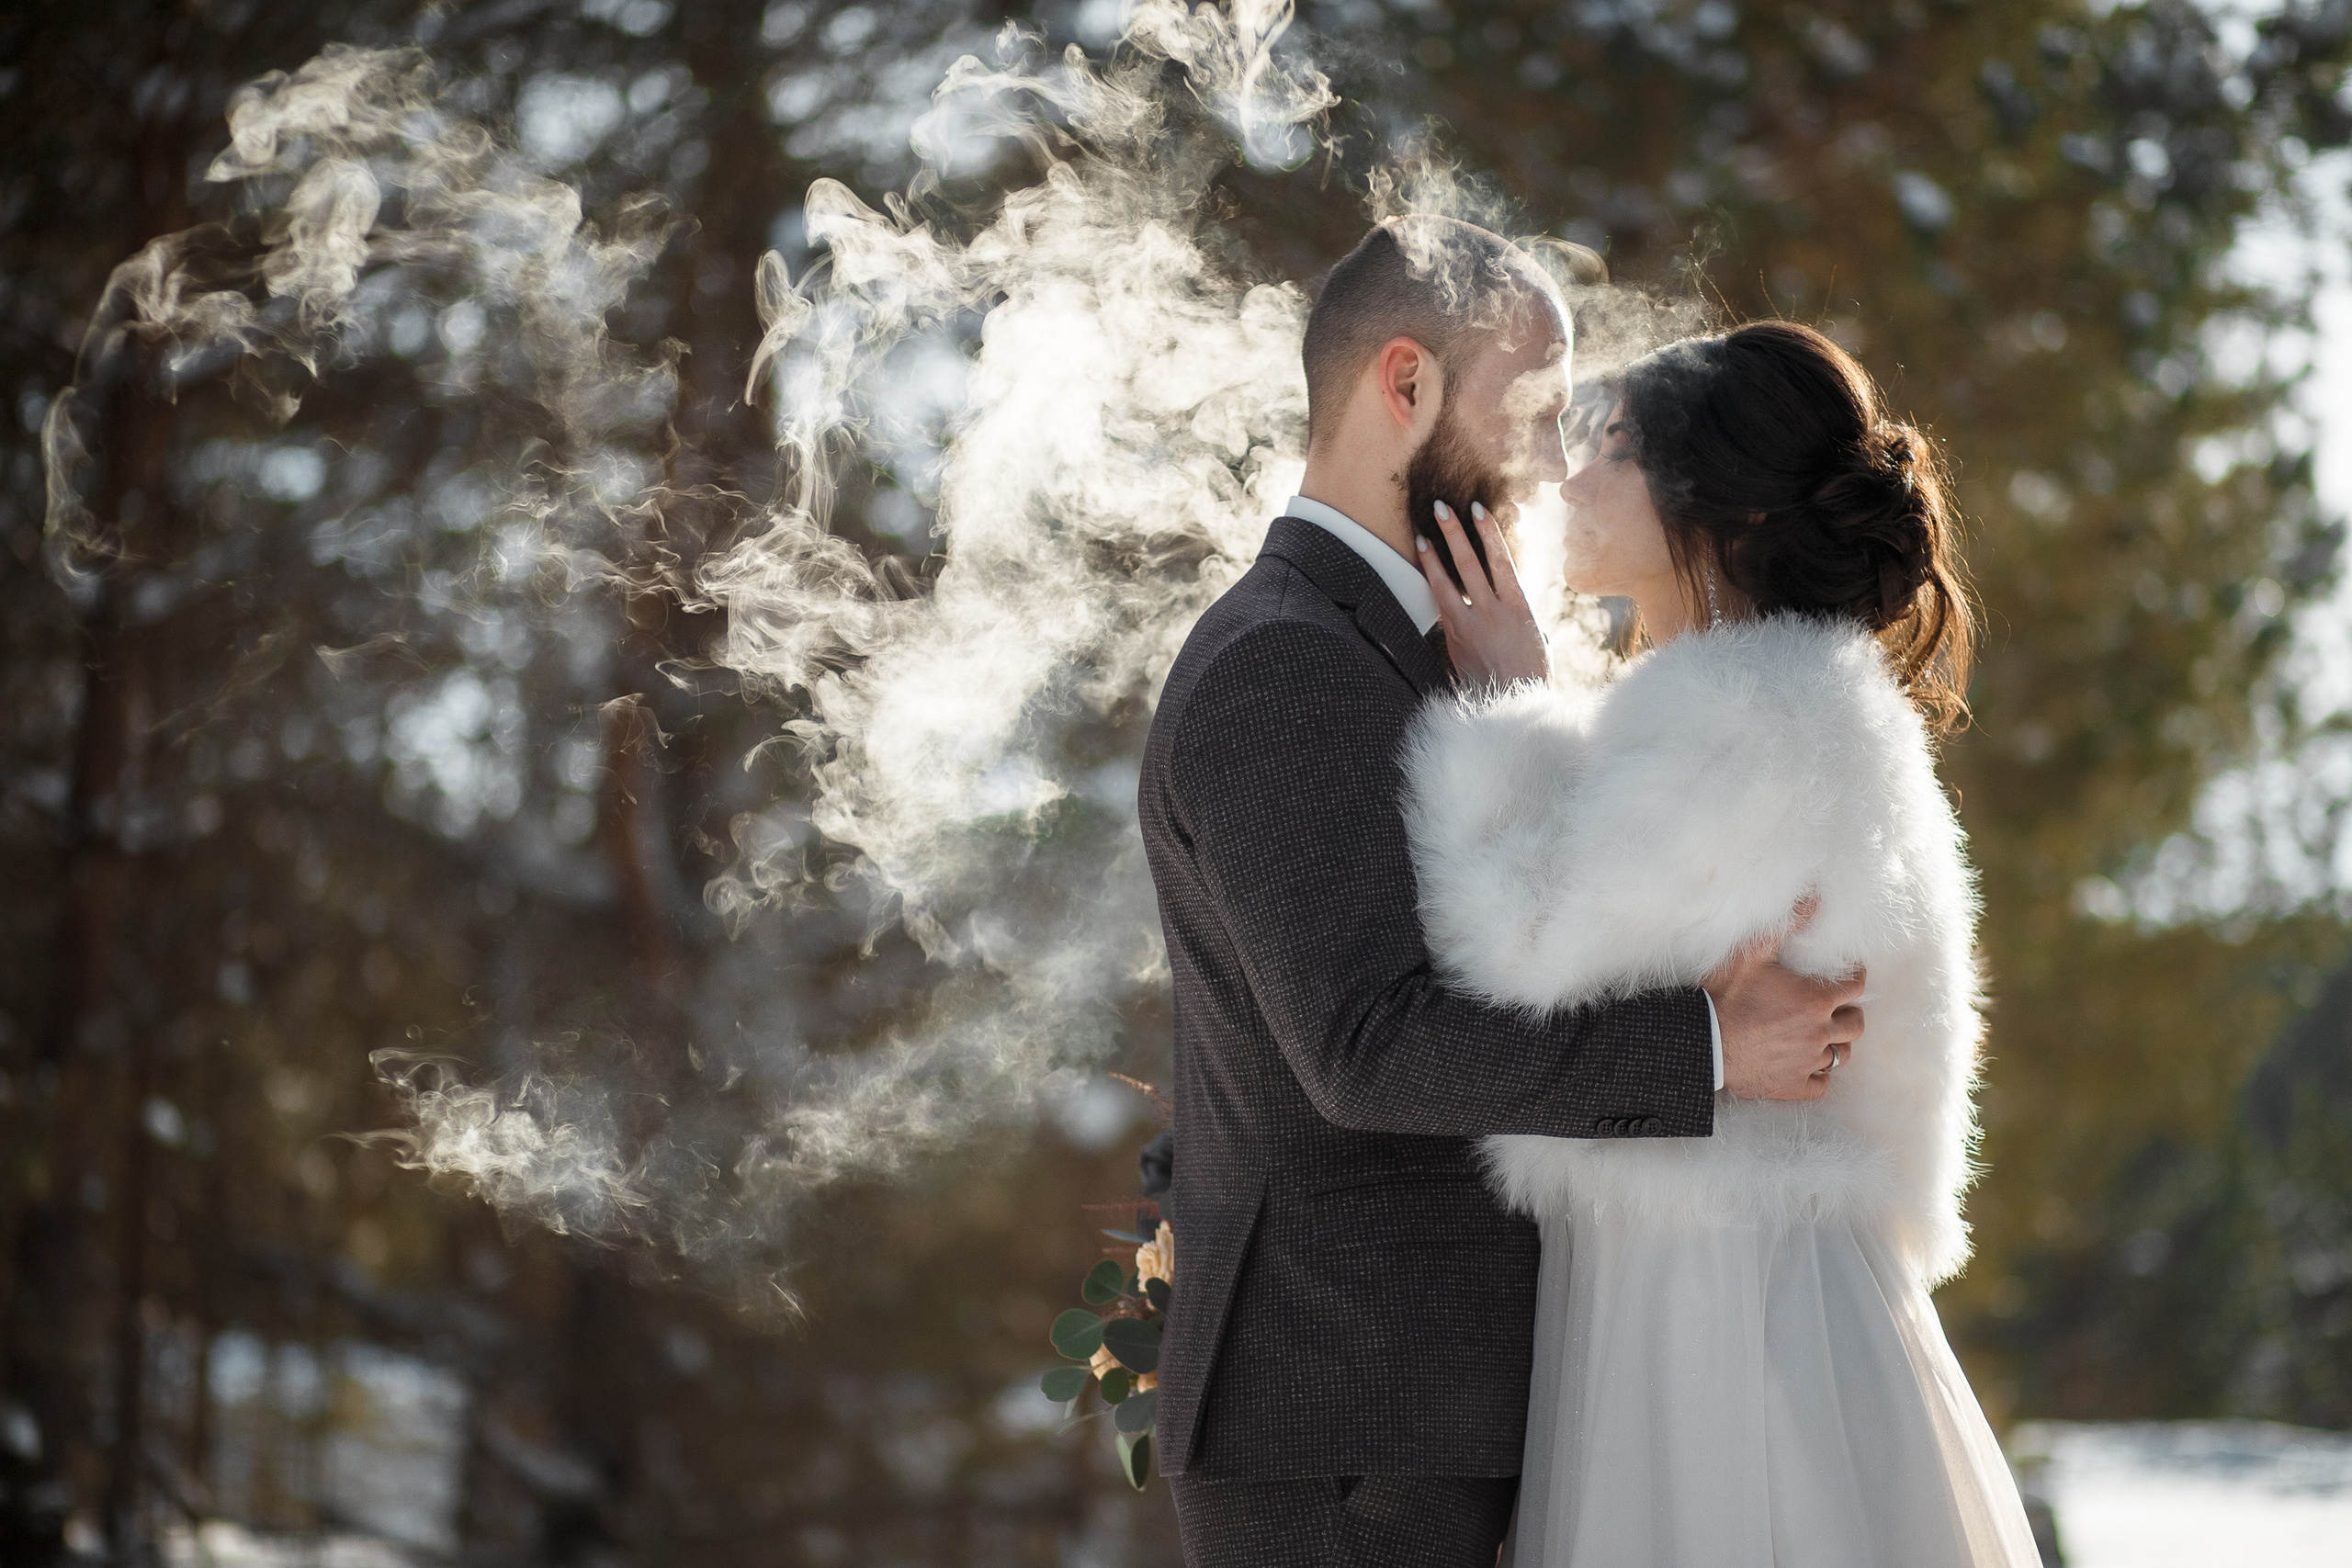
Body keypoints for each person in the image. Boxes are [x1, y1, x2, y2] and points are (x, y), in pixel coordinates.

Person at [1135, 218, 1864, 1567]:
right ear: (1401, 386)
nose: (1552, 453)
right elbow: (1364, 1049)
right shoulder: (1284, 666)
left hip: (1417, 1419)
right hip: (1347, 1433)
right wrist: (1712, 1046)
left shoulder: (1392, 653)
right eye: (1527, 403)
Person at [1406, 320, 2041, 1565]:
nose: (1571, 476)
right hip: (1725, 1284)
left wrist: (1500, 711)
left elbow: (1521, 967)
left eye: (1619, 451)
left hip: (1720, 1313)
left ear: (1729, 512)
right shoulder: (1779, 701)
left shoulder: (1755, 716)